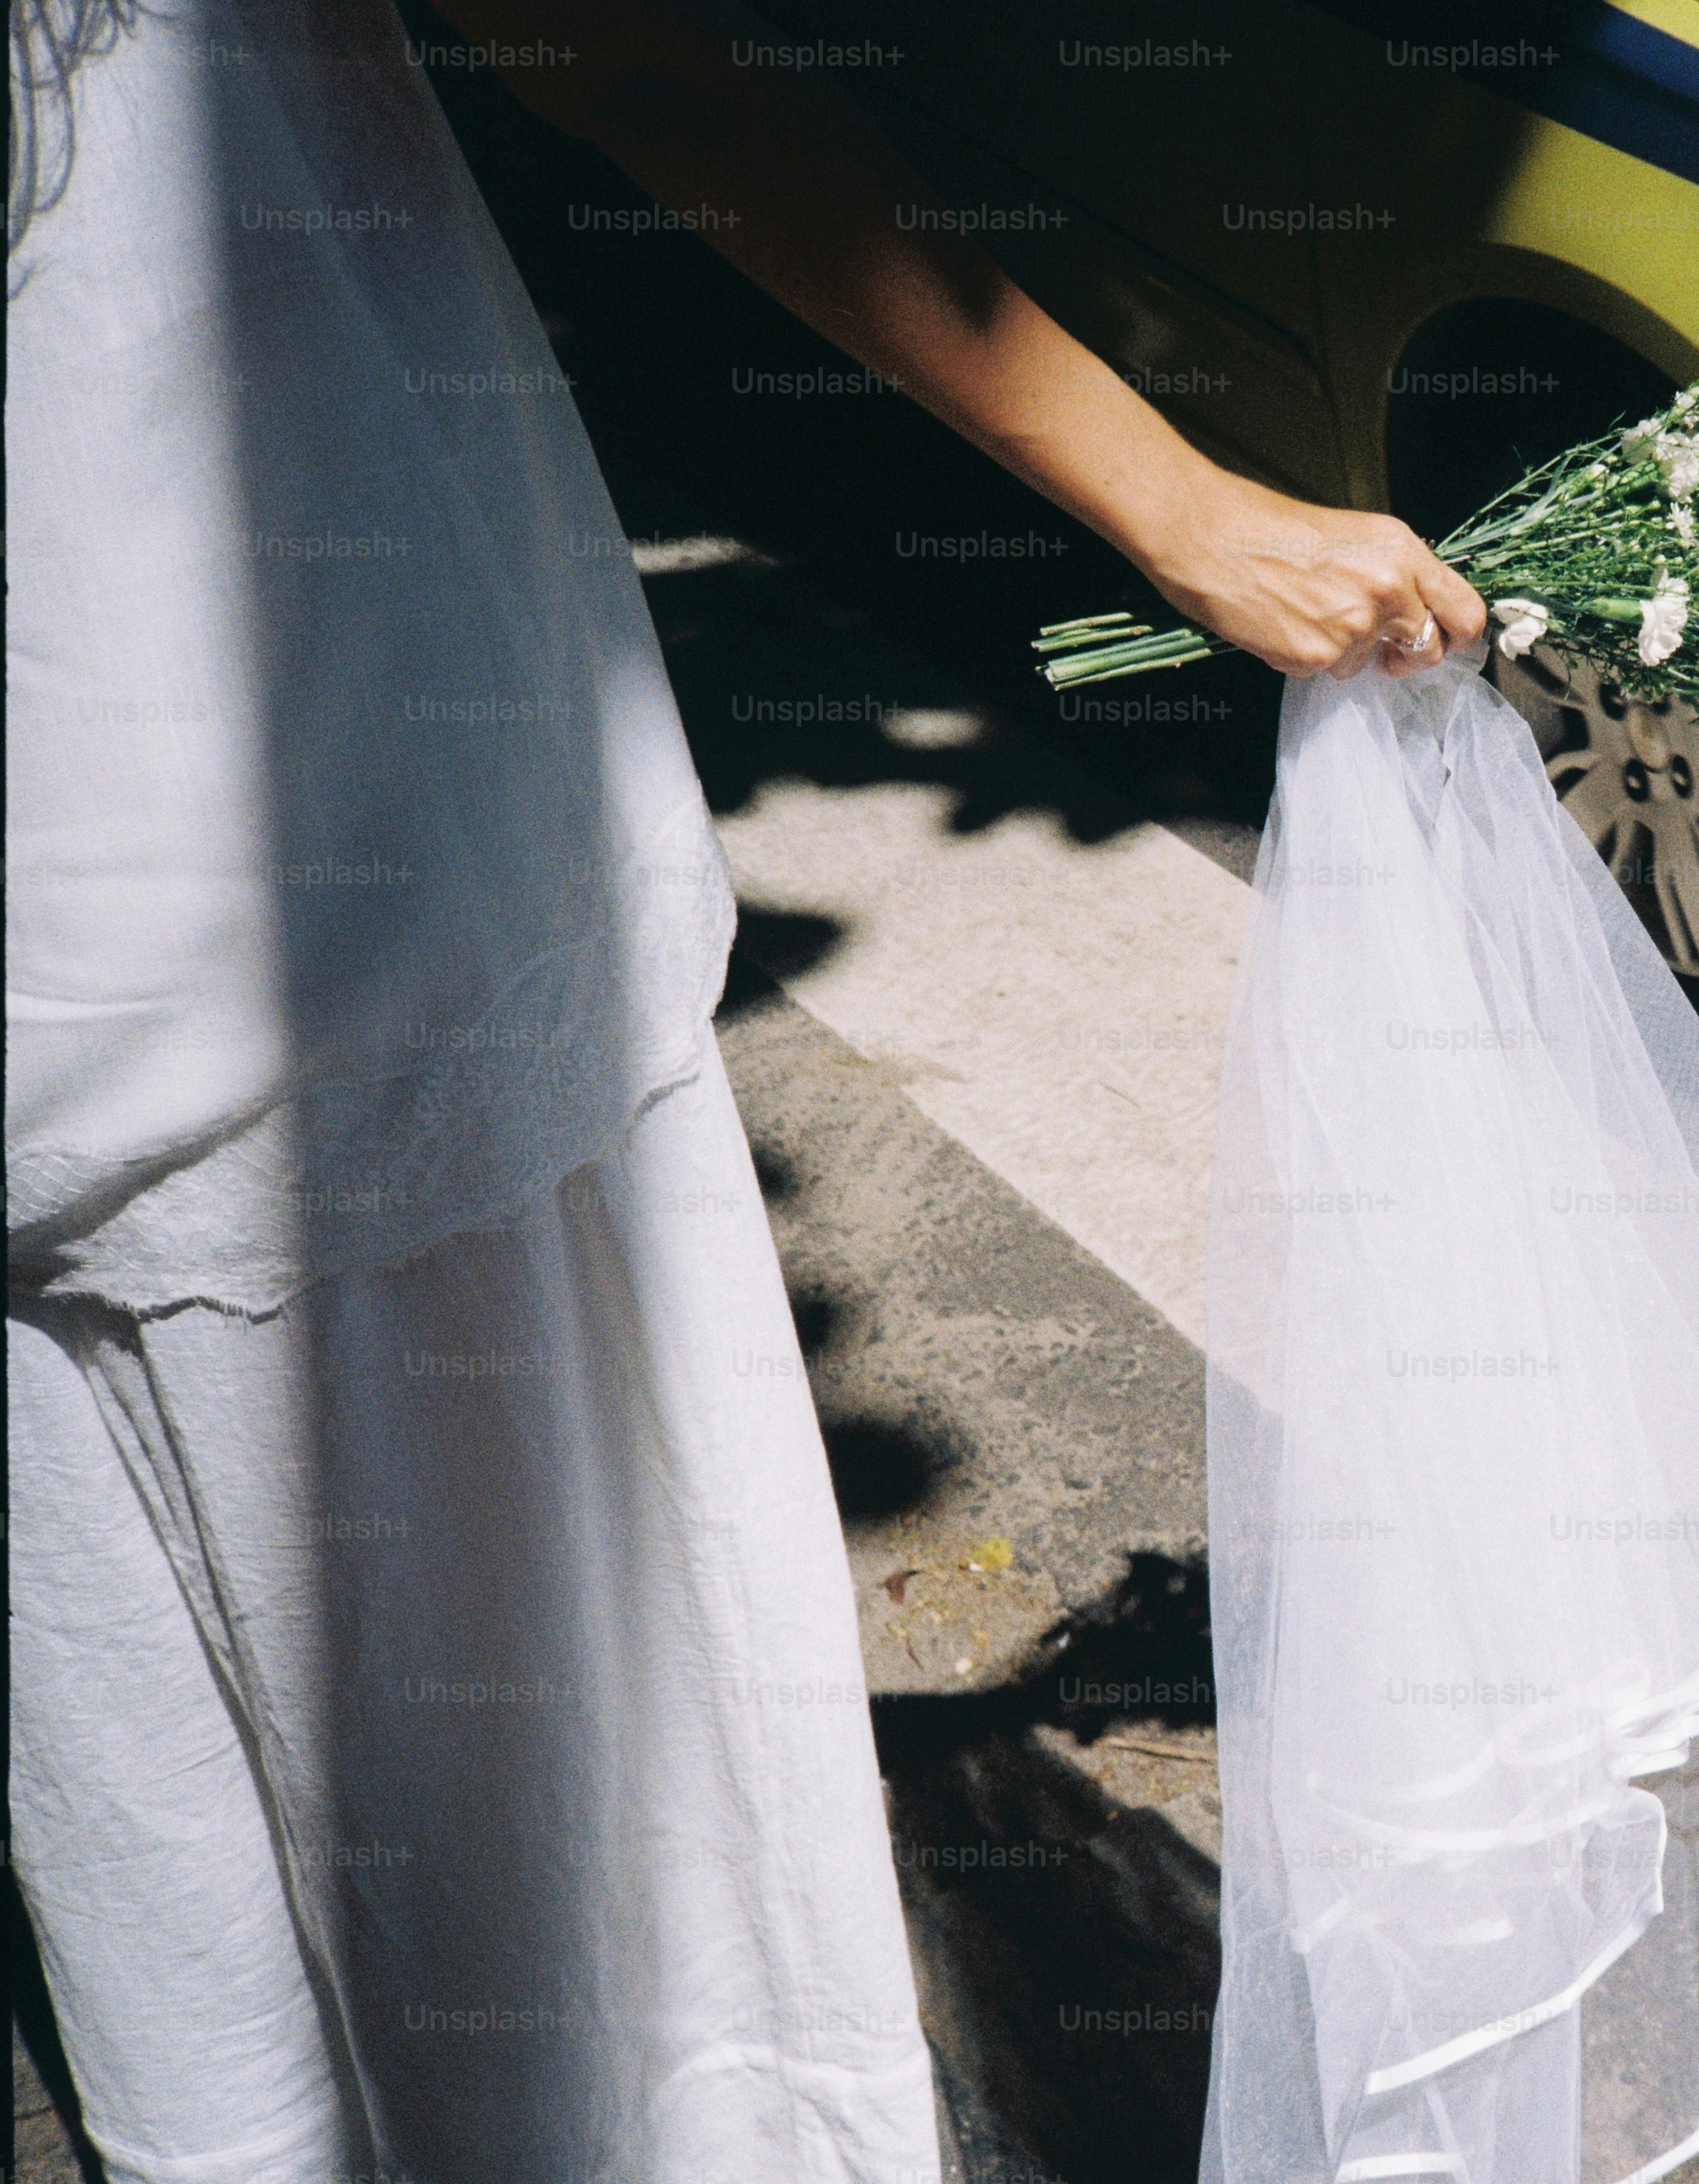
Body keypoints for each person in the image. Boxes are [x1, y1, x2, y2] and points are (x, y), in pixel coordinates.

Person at [5, 1, 1479, 2176]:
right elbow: (629, 55)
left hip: (71, 983)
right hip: (348, 871)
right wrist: (1183, 511)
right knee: (597, 1879)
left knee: (170, 1825)